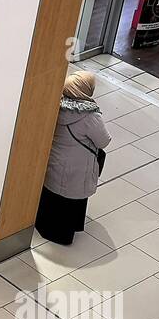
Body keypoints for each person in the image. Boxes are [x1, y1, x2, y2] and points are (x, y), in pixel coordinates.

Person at [35, 72, 112, 245]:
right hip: (78, 167)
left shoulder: (55, 105)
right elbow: (104, 141)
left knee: (53, 196)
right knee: (70, 200)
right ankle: (67, 232)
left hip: (54, 161)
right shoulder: (91, 117)